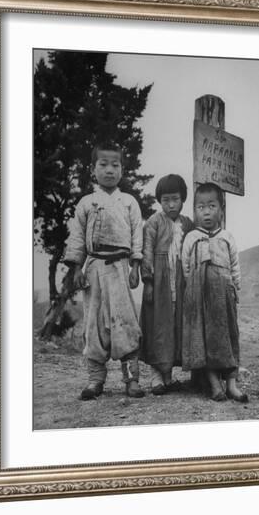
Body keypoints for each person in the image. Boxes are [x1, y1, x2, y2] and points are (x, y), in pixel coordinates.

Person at [63, 144, 145, 400]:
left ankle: (131, 379)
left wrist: (136, 265)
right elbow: (76, 238)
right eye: (103, 164)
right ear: (93, 169)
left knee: (125, 322)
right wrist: (76, 268)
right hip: (95, 269)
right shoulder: (87, 203)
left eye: (115, 165)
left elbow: (136, 236)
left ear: (122, 169)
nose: (109, 170)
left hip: (120, 268)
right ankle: (95, 379)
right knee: (94, 324)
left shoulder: (129, 202)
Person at [181, 182, 248, 402]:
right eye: (201, 207)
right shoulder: (191, 237)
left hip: (223, 295)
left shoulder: (227, 237)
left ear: (221, 209)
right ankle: (214, 385)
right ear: (195, 210)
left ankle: (232, 384)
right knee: (204, 339)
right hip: (200, 297)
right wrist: (192, 290)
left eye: (212, 206)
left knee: (228, 336)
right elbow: (186, 266)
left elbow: (235, 265)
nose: (206, 211)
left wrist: (235, 286)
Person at [140, 174, 194, 395]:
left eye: (176, 199)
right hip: (159, 282)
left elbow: (193, 250)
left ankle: (169, 377)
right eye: (166, 200)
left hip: (180, 283)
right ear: (159, 201)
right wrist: (149, 282)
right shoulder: (154, 222)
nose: (171, 204)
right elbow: (146, 253)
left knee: (174, 327)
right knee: (157, 327)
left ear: (183, 199)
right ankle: (155, 377)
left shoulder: (188, 223)